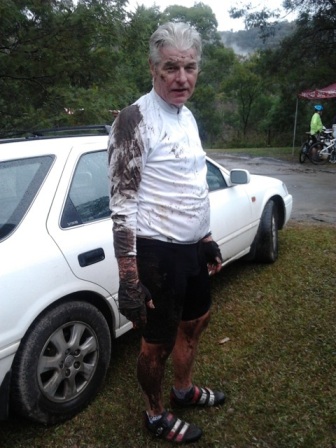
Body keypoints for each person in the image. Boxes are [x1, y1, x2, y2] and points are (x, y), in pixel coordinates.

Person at [108, 22, 225, 444]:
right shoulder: (133, 120)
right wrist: (129, 278)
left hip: (192, 248)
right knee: (154, 344)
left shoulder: (187, 115)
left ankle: (183, 391)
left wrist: (207, 236)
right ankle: (155, 415)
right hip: (156, 252)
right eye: (171, 67)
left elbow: (193, 182)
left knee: (196, 322)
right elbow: (122, 204)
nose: (182, 78)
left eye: (189, 67)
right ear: (153, 68)